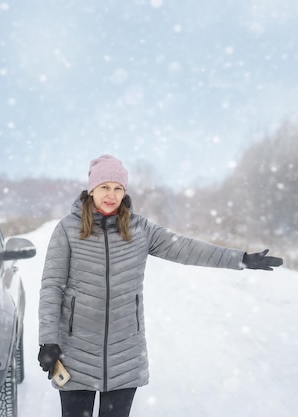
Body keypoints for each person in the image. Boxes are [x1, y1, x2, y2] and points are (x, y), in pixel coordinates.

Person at [37, 154, 283, 417]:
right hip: (77, 353)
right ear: (92, 189)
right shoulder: (67, 230)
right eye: (105, 187)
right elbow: (52, 288)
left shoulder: (139, 229)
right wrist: (47, 341)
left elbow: (187, 249)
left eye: (118, 188)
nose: (111, 195)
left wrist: (241, 258)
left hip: (125, 354)